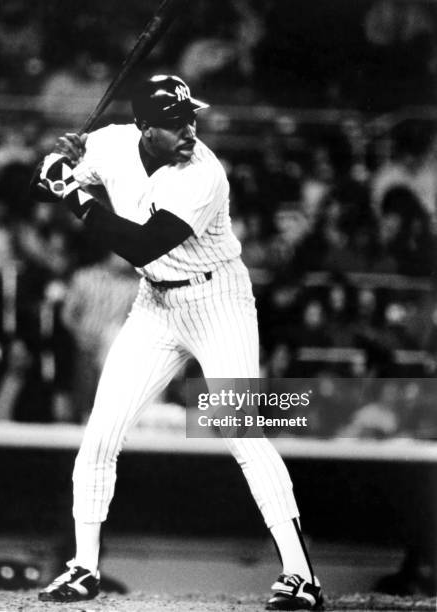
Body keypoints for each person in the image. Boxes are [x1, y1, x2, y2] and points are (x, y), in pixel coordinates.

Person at [30, 75, 323, 611]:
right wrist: (60, 162)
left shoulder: (203, 173)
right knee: (100, 432)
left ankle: (300, 575)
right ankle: (83, 568)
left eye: (191, 118)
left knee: (242, 431)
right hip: (155, 305)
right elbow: (56, 175)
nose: (188, 129)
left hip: (218, 302)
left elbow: (141, 245)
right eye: (173, 122)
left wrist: (71, 194)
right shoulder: (113, 142)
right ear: (144, 127)